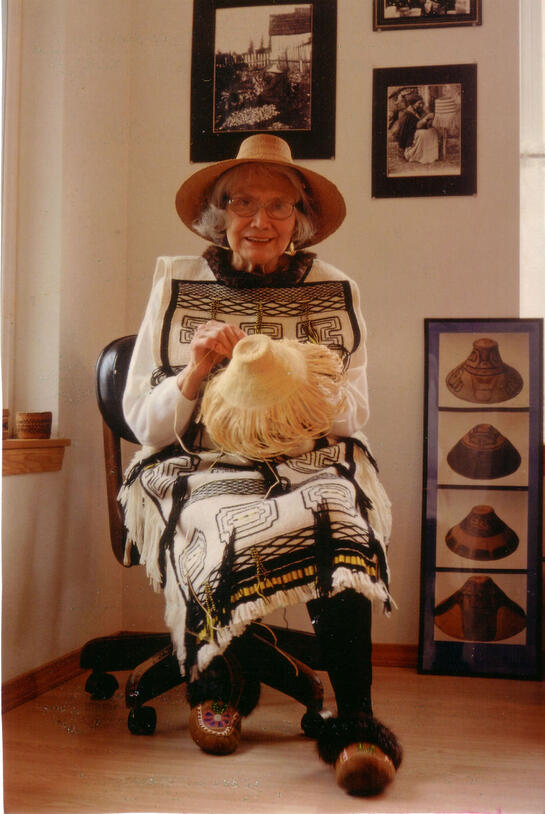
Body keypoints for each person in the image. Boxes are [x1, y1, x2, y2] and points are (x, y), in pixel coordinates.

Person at [120, 133, 402, 796]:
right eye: (242, 203)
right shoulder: (175, 281)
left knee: (342, 518)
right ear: (219, 216)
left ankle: (356, 719)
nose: (259, 221)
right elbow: (145, 423)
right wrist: (195, 370)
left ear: (299, 222)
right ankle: (214, 688)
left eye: (278, 207)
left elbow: (351, 414)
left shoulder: (335, 288)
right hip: (201, 458)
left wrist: (286, 371)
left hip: (307, 457)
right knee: (217, 515)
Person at [396, 94, 439, 164]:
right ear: (413, 104)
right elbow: (408, 131)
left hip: (417, 132)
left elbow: (424, 123)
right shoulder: (406, 114)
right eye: (419, 103)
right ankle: (415, 155)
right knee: (423, 134)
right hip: (410, 138)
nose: (421, 105)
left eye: (422, 103)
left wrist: (429, 120)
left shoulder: (419, 110)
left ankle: (429, 156)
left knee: (433, 131)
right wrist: (426, 118)